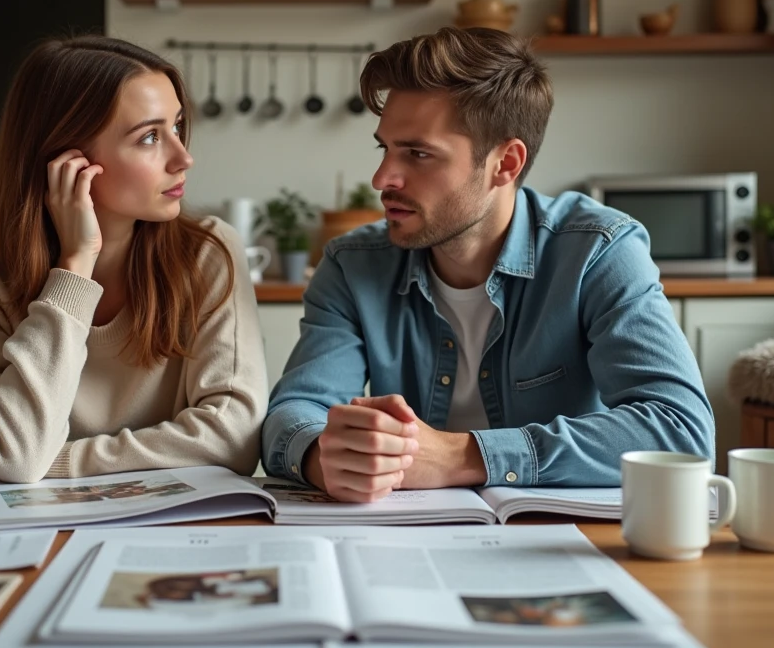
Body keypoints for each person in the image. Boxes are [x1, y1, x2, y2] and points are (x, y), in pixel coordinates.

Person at [261, 27, 713, 502]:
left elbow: (679, 430)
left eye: (417, 154)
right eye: (384, 149)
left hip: (559, 542)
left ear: (506, 163)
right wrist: (322, 456)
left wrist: (462, 456)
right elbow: (294, 411)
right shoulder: (352, 266)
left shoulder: (598, 252)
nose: (382, 179)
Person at [0, 35, 267, 485]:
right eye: (150, 136)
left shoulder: (210, 252)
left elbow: (234, 438)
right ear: (66, 160)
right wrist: (75, 267)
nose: (183, 157)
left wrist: (58, 463)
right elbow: (16, 453)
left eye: (177, 126)